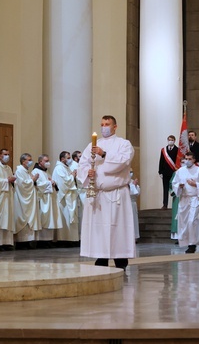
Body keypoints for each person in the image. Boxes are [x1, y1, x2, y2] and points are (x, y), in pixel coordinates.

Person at [78, 115, 135, 270]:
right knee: (99, 229)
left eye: (107, 124)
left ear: (115, 126)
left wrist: (104, 154)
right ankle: (101, 258)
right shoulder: (92, 145)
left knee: (118, 229)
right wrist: (87, 173)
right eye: (102, 124)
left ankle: (120, 261)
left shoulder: (124, 144)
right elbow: (82, 164)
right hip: (99, 194)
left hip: (117, 194)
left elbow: (123, 162)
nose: (104, 127)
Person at [172, 152, 199, 253]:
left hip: (194, 199)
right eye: (186, 159)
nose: (187, 161)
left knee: (192, 221)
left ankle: (193, 244)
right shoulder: (180, 171)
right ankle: (185, 242)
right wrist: (178, 186)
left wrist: (196, 184)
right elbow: (174, 183)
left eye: (189, 159)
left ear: (194, 160)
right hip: (184, 199)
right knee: (184, 222)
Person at [52, 151, 81, 245]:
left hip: (71, 195)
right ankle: (65, 239)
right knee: (66, 218)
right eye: (68, 158)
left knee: (72, 218)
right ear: (62, 159)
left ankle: (72, 239)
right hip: (64, 198)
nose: (70, 160)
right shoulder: (59, 168)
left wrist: (72, 175)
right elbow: (64, 182)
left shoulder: (66, 168)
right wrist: (72, 175)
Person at [33, 154, 62, 247]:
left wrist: (53, 182)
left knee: (50, 219)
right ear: (40, 162)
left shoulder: (46, 172)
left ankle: (48, 240)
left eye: (48, 160)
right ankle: (42, 241)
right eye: (46, 161)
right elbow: (37, 185)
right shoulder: (35, 171)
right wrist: (49, 183)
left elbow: (50, 181)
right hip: (43, 199)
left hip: (50, 198)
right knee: (44, 218)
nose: (48, 163)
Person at [0, 148, 16, 250]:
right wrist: (6, 180)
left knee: (7, 218)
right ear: (0, 156)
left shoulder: (8, 168)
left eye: (8, 154)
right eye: (5, 154)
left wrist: (12, 180)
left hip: (7, 196)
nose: (7, 156)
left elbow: (10, 179)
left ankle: (7, 242)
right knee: (0, 219)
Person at [14, 153, 41, 248]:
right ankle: (22, 242)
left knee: (30, 218)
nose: (31, 162)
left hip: (29, 199)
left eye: (31, 159)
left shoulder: (26, 171)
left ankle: (29, 241)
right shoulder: (19, 171)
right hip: (23, 200)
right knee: (24, 217)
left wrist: (34, 180)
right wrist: (32, 179)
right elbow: (22, 185)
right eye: (29, 160)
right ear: (23, 161)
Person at [158, 135, 178, 209]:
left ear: (174, 140)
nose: (170, 141)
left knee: (175, 189)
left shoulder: (177, 150)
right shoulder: (164, 150)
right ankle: (165, 204)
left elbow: (177, 162)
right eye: (169, 140)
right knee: (165, 189)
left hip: (173, 173)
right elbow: (161, 161)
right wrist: (160, 171)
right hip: (165, 172)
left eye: (172, 140)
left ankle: (175, 204)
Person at [129, 169, 140, 242]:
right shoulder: (123, 182)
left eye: (131, 172)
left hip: (132, 203)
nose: (130, 173)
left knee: (134, 221)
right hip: (126, 203)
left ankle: (134, 237)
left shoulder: (132, 181)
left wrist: (135, 186)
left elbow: (137, 193)